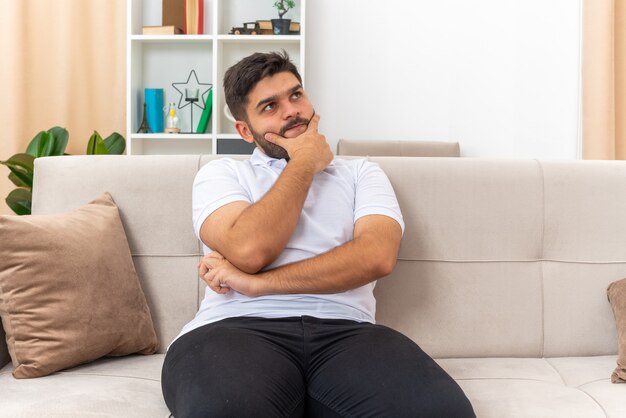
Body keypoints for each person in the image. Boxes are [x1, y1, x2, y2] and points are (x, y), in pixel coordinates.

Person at [161, 51, 475, 418]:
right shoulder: (222, 176)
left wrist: (260, 284)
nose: (291, 110)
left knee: (442, 412)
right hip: (234, 331)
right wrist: (305, 162)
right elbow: (250, 249)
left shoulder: (361, 173)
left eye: (296, 95)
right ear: (245, 131)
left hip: (347, 332)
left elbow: (376, 256)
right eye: (269, 106)